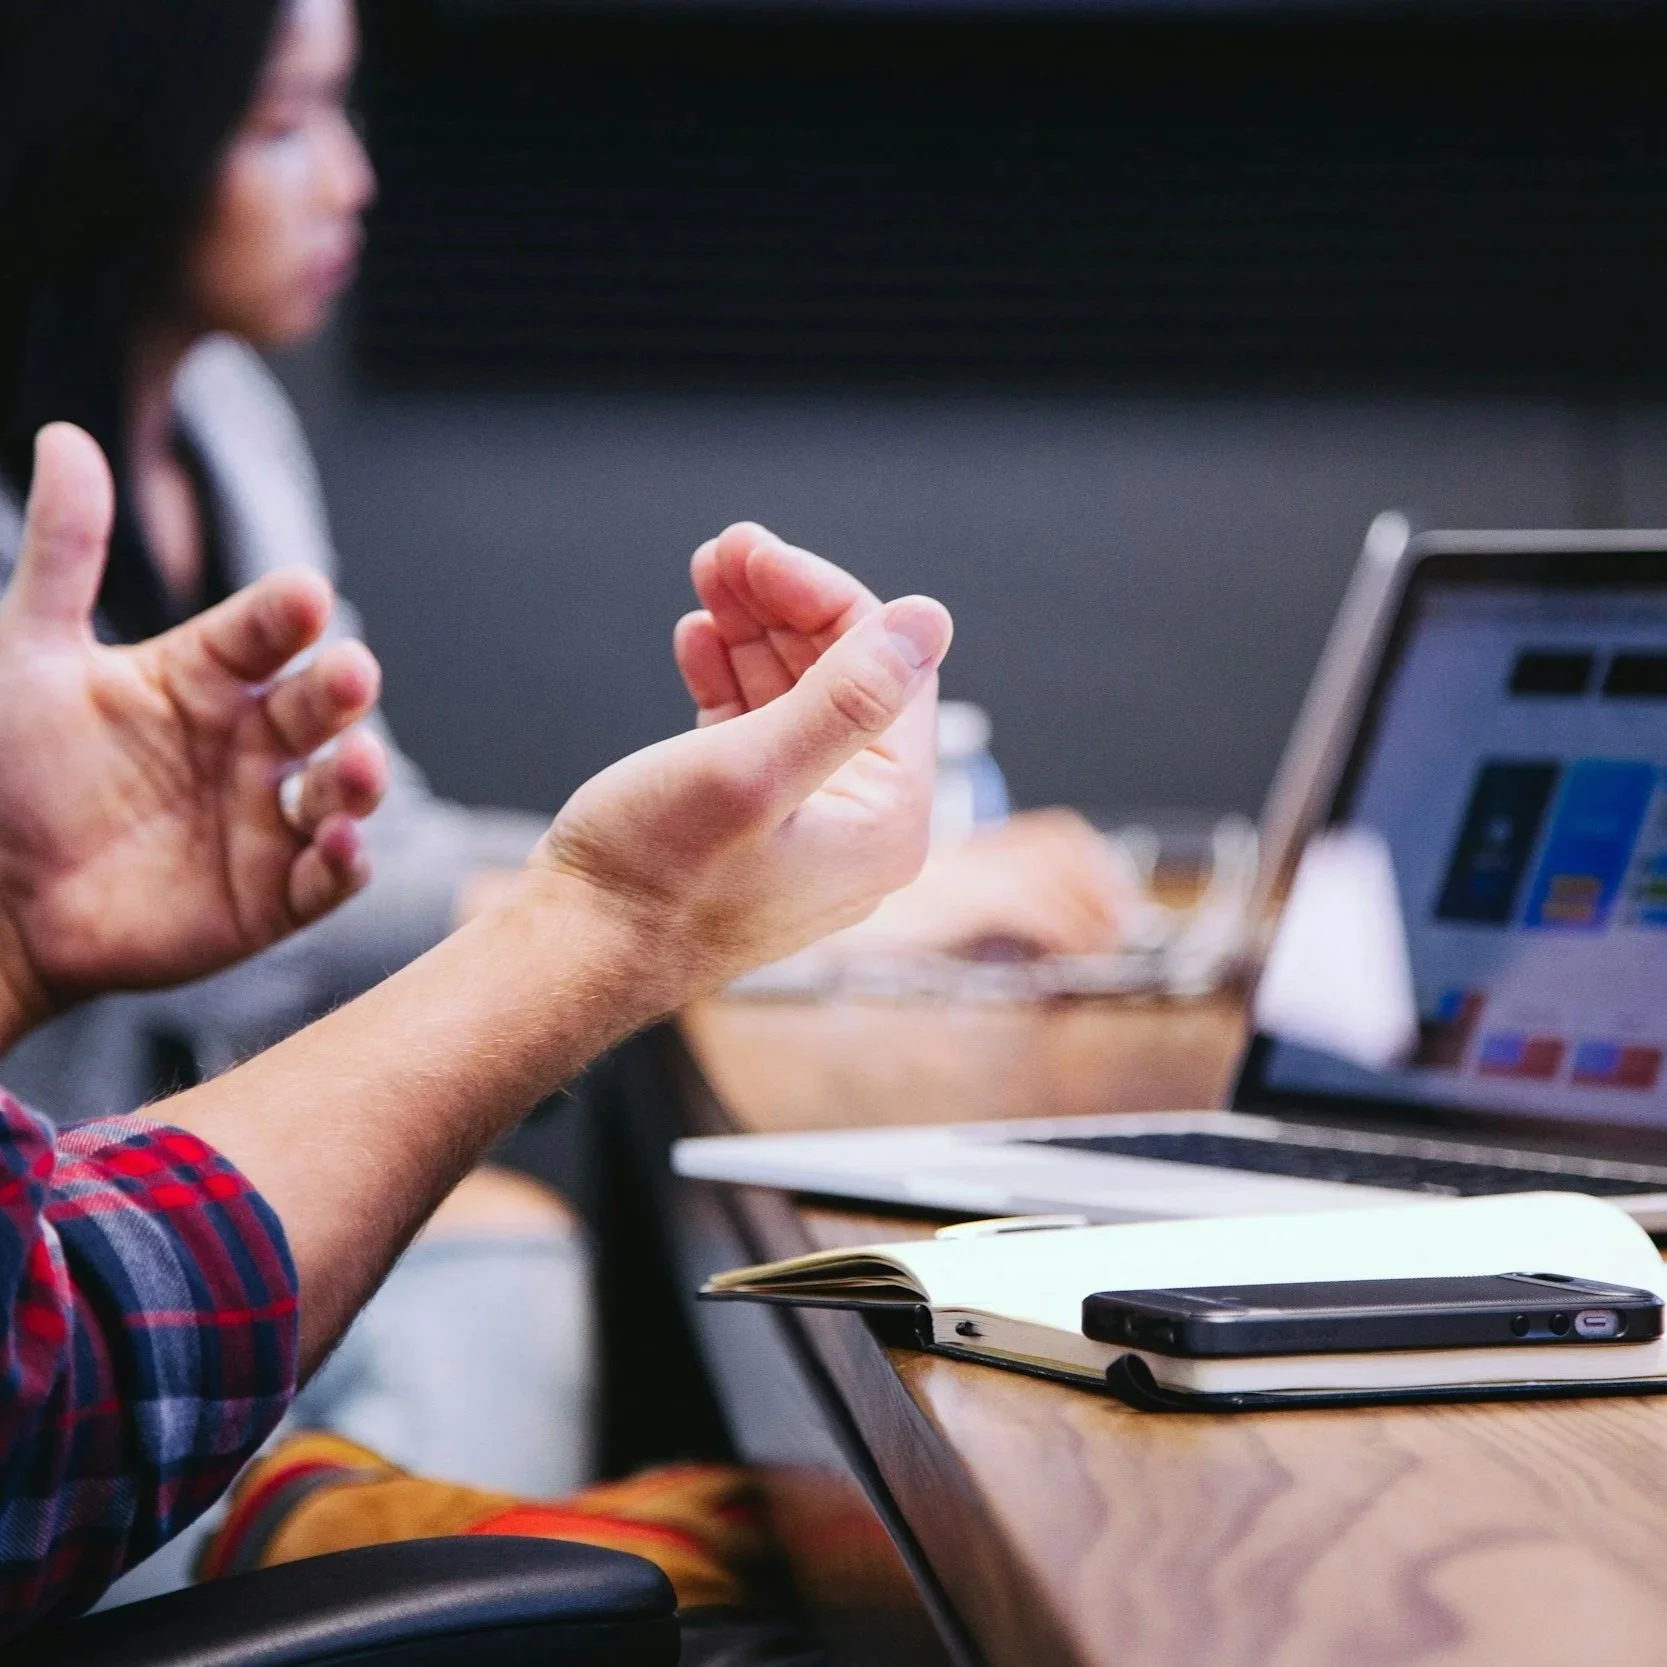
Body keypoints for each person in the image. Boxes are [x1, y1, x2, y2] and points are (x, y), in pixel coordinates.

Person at [0, 420, 953, 1640]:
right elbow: (43, 1379)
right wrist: (617, 917)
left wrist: (17, 927)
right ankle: (294, 1526)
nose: (351, 208)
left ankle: (314, 1519)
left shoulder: (222, 416)